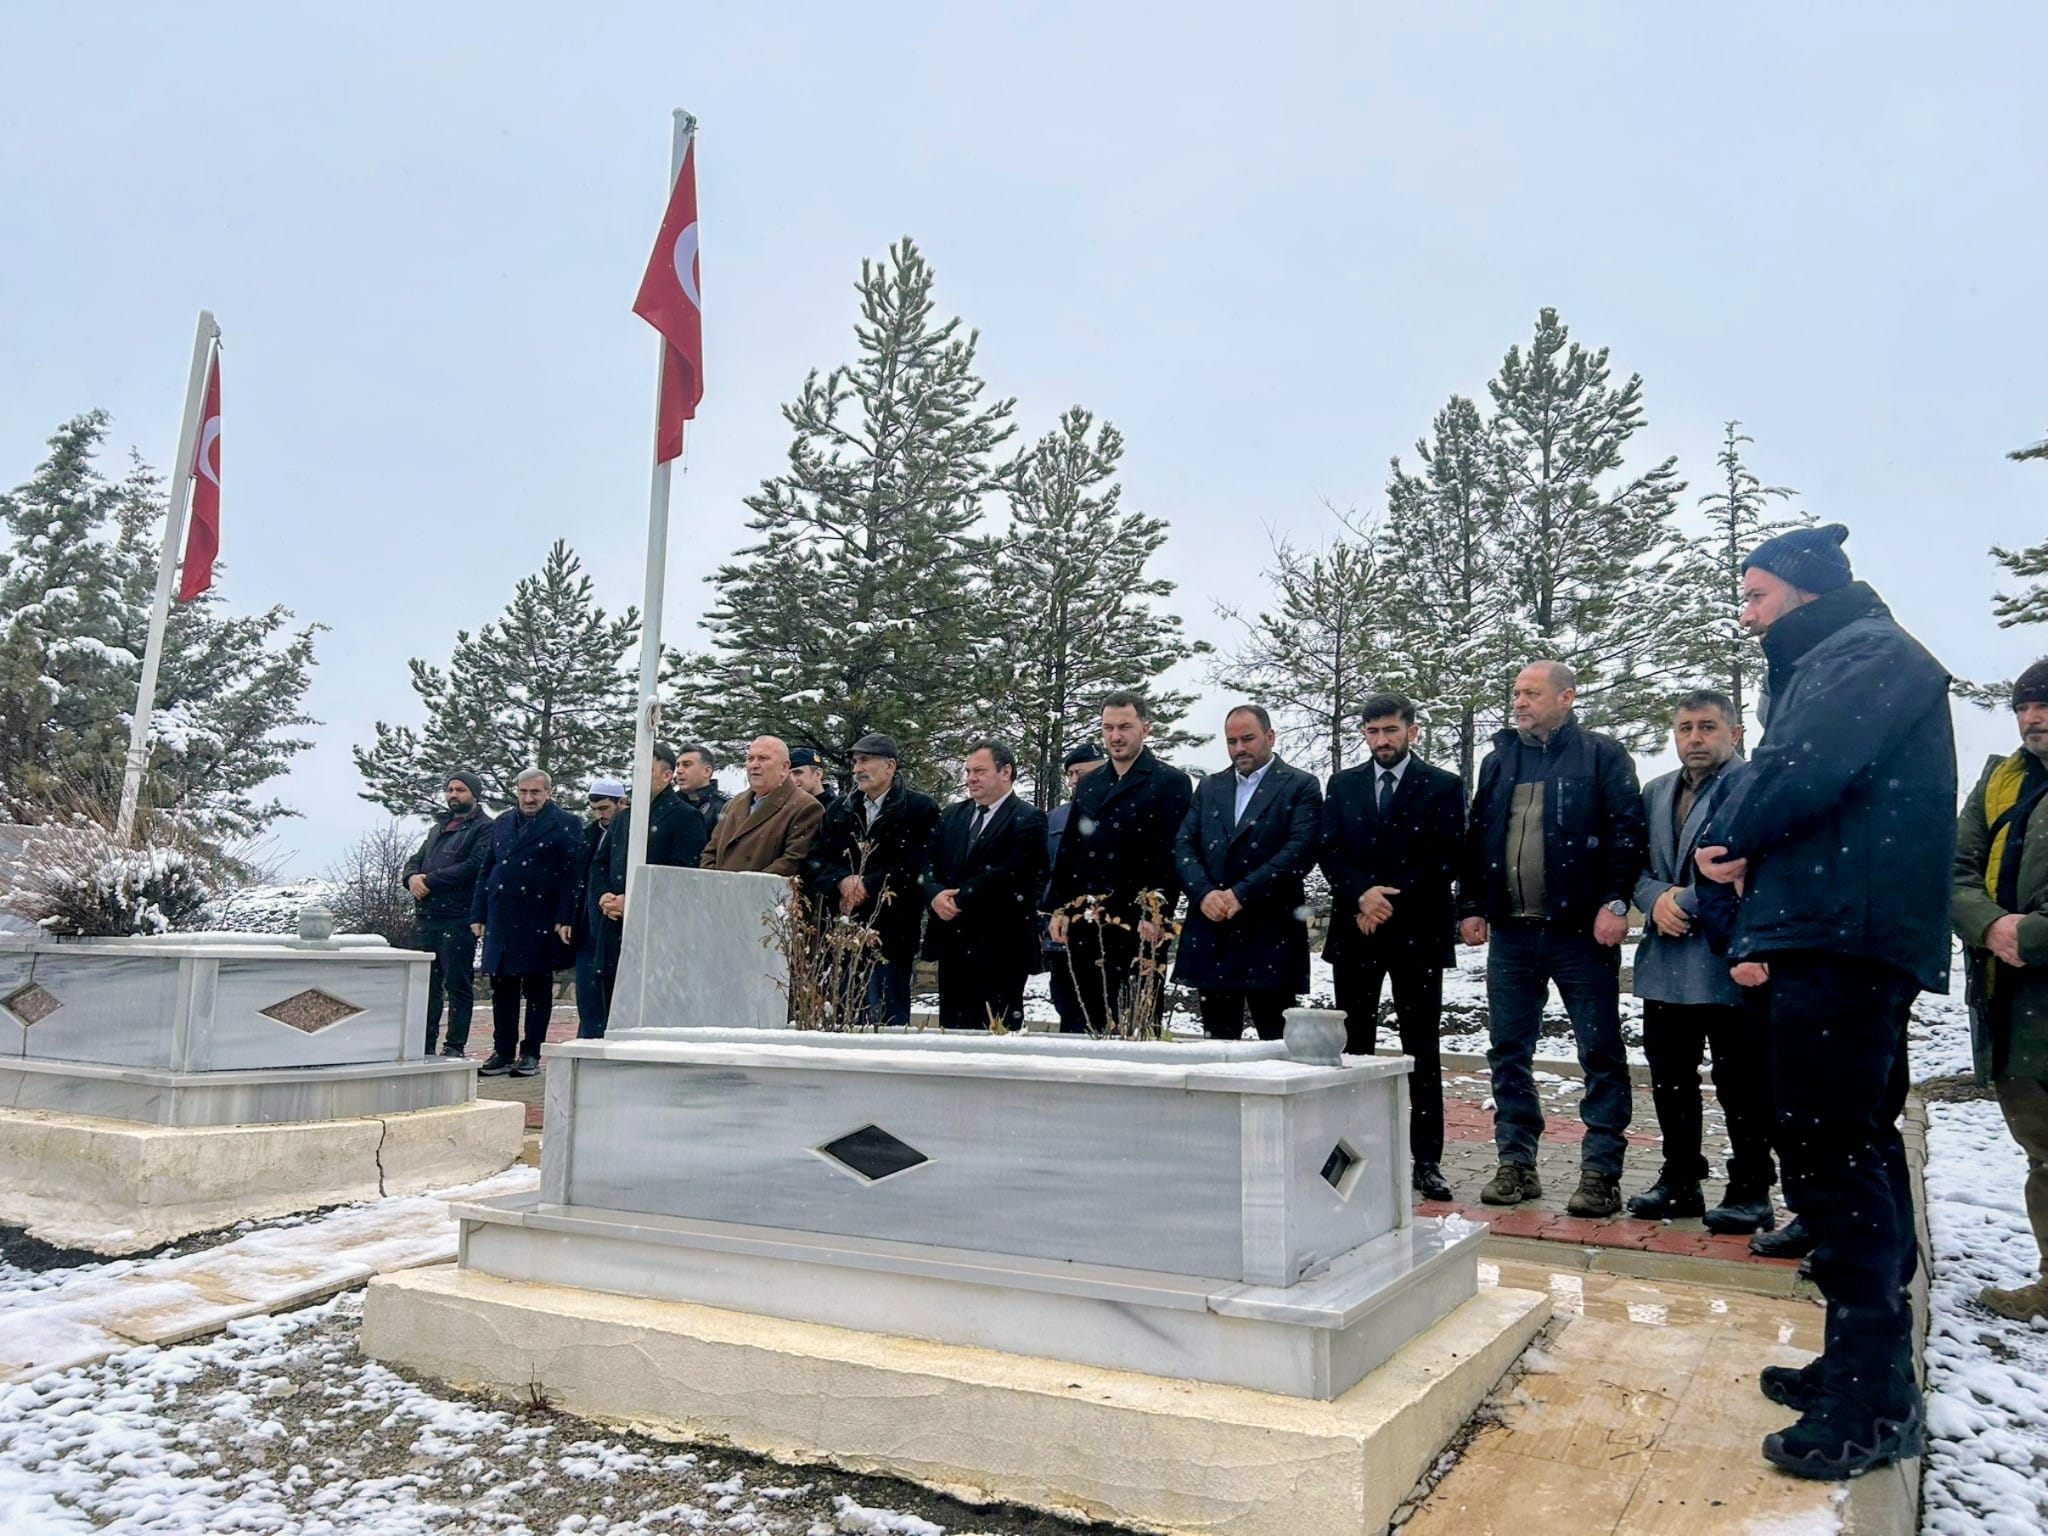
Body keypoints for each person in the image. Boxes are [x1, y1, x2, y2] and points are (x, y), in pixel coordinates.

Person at [1695, 522, 1953, 1478]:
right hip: (1839, 926)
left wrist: (1725, 831)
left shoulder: (1868, 655)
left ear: (1804, 591)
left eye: (1758, 597)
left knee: (1827, 1149)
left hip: (1845, 935)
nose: (1749, 613)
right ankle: (1859, 1357)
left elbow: (1795, 770)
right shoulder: (1841, 657)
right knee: (1853, 1140)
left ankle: (1876, 1398)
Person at [1461, 660, 1645, 1218]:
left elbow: (1626, 835)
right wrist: (1470, 906)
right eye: (1515, 692)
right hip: (1513, 935)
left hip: (1580, 935)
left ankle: (1600, 1173)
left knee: (1600, 1053)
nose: (1519, 702)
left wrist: (1616, 902)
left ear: (1567, 697)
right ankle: (1516, 1164)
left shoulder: (1601, 756)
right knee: (1508, 1052)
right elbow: (1477, 839)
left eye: (1531, 693)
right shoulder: (1499, 761)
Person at [1626, 691, 1777, 1234]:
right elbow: (1635, 864)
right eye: (1685, 727)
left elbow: (1749, 865)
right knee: (1670, 1078)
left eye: (1707, 727)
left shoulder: (1752, 786)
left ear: (1734, 734)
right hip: (1665, 960)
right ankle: (1680, 1178)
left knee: (1742, 1081)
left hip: (1729, 959)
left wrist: (1680, 901)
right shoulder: (1655, 792)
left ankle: (1751, 1186)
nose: (1694, 738)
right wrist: (1653, 899)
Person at [1318, 694, 1464, 1202]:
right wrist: (1361, 894)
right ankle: (1351, 1154)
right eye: (1373, 730)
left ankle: (1427, 1161)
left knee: (1419, 1049)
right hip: (1356, 931)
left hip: (1416, 934)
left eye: (1391, 730)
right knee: (1352, 1050)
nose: (1382, 740)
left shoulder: (1443, 786)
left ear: (1412, 732)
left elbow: (1445, 858)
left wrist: (1386, 899)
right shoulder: (1343, 785)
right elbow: (1328, 849)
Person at [1953, 657, 2048, 1325]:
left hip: (2031, 965)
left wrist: (2033, 934)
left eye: (2044, 705)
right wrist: (1990, 925)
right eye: (2024, 706)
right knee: (2042, 1148)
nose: (2033, 717)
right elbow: (1954, 868)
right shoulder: (1999, 781)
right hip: (2011, 996)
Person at [1045, 692, 1195, 1034]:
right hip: (1088, 920)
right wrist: (1059, 907)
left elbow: (1172, 857)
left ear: (1145, 728)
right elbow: (1070, 850)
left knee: (1135, 1028)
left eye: (1125, 727)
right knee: (1082, 1025)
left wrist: (1157, 915)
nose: (1116, 736)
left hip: (1139, 923)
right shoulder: (1090, 784)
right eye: (1108, 727)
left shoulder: (1170, 782)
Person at [1172, 705, 1321, 1041]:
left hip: (1270, 934)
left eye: (1248, 738)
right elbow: (1183, 845)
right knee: (1217, 1050)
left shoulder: (1300, 786)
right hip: (1214, 933)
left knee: (1277, 1046)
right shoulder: (1210, 787)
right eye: (1231, 741)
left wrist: (1242, 894)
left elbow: (1299, 851)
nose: (1239, 748)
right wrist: (1204, 893)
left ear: (1270, 737)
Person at [806, 733, 940, 1027]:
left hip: (892, 931)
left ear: (890, 766)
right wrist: (842, 881)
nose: (857, 769)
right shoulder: (839, 810)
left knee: (888, 1018)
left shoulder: (919, 809)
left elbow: (917, 864)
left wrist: (869, 884)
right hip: (842, 928)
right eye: (855, 762)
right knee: (841, 1015)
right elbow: (817, 860)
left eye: (865, 760)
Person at [922, 739, 1050, 1030]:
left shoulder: (1029, 819)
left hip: (1001, 946)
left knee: (995, 1034)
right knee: (952, 1033)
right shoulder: (953, 815)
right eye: (968, 771)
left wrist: (958, 898)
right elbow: (927, 860)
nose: (970, 779)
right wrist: (934, 894)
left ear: (1005, 772)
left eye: (979, 771)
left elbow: (1012, 874)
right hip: (952, 943)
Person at [470, 768, 581, 1078]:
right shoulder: (503, 822)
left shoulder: (566, 824)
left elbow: (572, 877)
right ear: (516, 791)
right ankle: (502, 1051)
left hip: (539, 917)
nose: (529, 798)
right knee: (502, 987)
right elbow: (487, 870)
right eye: (523, 792)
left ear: (548, 792)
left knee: (536, 987)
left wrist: (565, 917)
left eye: (535, 792)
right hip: (501, 916)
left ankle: (531, 1051)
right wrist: (478, 913)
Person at [593, 744, 710, 1032]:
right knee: (611, 1001)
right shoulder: (623, 817)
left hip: (658, 930)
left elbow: (681, 875)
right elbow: (600, 863)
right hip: (615, 925)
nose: (639, 777)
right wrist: (604, 896)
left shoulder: (684, 817)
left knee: (649, 1010)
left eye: (647, 771)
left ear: (666, 775)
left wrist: (634, 900)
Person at [401, 770, 494, 1057]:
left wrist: (429, 881)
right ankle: (423, 1045)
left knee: (457, 985)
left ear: (475, 795)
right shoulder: (438, 829)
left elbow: (475, 866)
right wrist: (412, 878)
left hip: (458, 916)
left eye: (461, 790)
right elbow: (415, 860)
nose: (454, 795)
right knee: (425, 987)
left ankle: (454, 1046)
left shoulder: (484, 828)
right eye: (450, 790)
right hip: (426, 917)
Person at [1043, 741, 1108, 1033]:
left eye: (1080, 773)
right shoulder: (1057, 817)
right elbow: (1046, 871)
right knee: (1067, 1006)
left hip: (1105, 930)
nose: (1074, 781)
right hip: (1061, 933)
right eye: (1070, 774)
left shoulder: (1117, 810)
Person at [702, 736, 824, 876]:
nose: (754, 765)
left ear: (784, 767)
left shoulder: (805, 807)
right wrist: (712, 882)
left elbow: (792, 861)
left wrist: (744, 887)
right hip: (720, 893)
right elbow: (710, 852)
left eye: (763, 758)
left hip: (762, 894)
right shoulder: (733, 804)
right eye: (750, 759)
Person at [571, 777, 625, 1039]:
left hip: (613, 921)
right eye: (594, 809)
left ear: (620, 803)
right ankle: (589, 1036)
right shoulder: (588, 835)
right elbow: (577, 878)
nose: (599, 815)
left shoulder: (630, 832)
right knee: (587, 991)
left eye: (604, 808)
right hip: (588, 923)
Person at [673, 744, 728, 827]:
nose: (679, 771)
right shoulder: (670, 803)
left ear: (707, 771)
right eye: (678, 766)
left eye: (687, 765)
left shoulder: (724, 807)